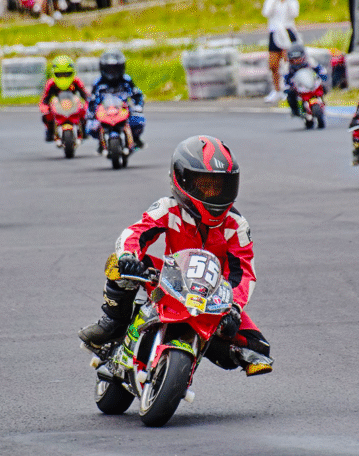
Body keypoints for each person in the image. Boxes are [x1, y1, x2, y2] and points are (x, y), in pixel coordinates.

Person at [78, 135, 273, 377]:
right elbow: (137, 232)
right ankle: (113, 323)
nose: (214, 193)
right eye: (206, 185)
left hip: (213, 295)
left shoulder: (236, 225)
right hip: (169, 280)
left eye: (221, 186)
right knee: (118, 264)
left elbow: (243, 271)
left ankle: (216, 347)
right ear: (181, 179)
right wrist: (129, 255)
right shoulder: (167, 208)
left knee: (258, 349)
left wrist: (233, 306)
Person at [86, 50, 146, 151]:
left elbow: (137, 95)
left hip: (124, 111)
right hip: (104, 112)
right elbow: (92, 100)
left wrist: (138, 107)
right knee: (90, 127)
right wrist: (91, 113)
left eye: (115, 69)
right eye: (109, 70)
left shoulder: (126, 80)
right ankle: (102, 142)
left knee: (139, 121)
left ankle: (135, 139)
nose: (112, 72)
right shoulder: (98, 83)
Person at [38, 55, 90, 143]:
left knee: (85, 112)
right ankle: (50, 131)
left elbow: (85, 96)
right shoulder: (51, 83)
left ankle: (84, 129)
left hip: (73, 104)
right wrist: (44, 109)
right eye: (60, 74)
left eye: (66, 74)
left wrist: (88, 106)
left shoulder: (76, 81)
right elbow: (45, 99)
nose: (63, 77)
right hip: (57, 105)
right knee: (46, 116)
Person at [261, 0, 299, 103]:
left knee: (289, 62)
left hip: (287, 30)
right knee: (273, 64)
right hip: (275, 31)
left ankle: (290, 89)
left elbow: (294, 13)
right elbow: (266, 13)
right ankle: (277, 90)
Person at [283, 43, 329, 118]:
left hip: (310, 82)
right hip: (297, 86)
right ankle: (295, 110)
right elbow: (284, 80)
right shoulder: (287, 67)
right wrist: (287, 87)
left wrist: (323, 76)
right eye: (294, 60)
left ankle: (321, 100)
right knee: (290, 95)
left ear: (303, 56)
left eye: (298, 59)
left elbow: (320, 69)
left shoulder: (310, 61)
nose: (296, 61)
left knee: (323, 86)